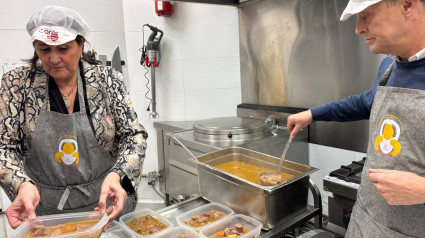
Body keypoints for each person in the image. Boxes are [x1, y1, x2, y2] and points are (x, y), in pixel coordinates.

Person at [0, 5, 147, 230]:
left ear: (81, 44)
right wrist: (20, 185)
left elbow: (134, 135)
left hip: (104, 203)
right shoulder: (16, 85)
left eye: (63, 48)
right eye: (44, 49)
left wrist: (119, 176)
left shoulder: (108, 80)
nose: (54, 58)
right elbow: (4, 147)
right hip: (44, 210)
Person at [287, 0, 425, 236]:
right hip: (366, 221)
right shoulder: (388, 67)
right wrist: (312, 114)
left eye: (366, 16)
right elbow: (365, 103)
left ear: (407, 5)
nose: (358, 29)